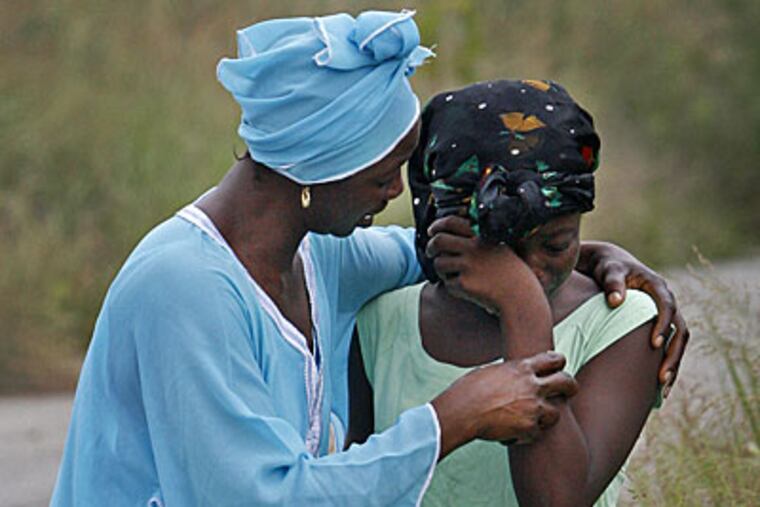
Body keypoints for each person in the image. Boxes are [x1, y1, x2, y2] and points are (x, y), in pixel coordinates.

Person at [51, 11, 687, 506]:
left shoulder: (321, 259)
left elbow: (449, 252)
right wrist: (450, 419)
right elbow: (251, 497)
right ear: (317, 171)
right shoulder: (182, 285)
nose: (393, 197)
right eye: (384, 175)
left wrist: (583, 255)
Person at [349, 79, 678, 506]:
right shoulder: (381, 322)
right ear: (439, 223)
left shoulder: (621, 323)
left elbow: (557, 500)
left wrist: (521, 307)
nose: (530, 273)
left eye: (557, 245)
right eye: (497, 251)